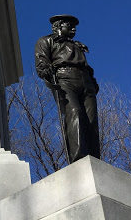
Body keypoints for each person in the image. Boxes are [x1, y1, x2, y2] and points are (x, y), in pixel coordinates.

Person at [34, 14, 100, 163]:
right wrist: (47, 73)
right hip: (64, 80)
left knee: (91, 120)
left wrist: (93, 82)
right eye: (69, 25)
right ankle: (79, 159)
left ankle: (95, 159)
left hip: (85, 81)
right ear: (58, 26)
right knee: (74, 113)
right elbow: (41, 63)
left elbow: (86, 66)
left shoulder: (77, 45)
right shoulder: (46, 41)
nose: (74, 28)